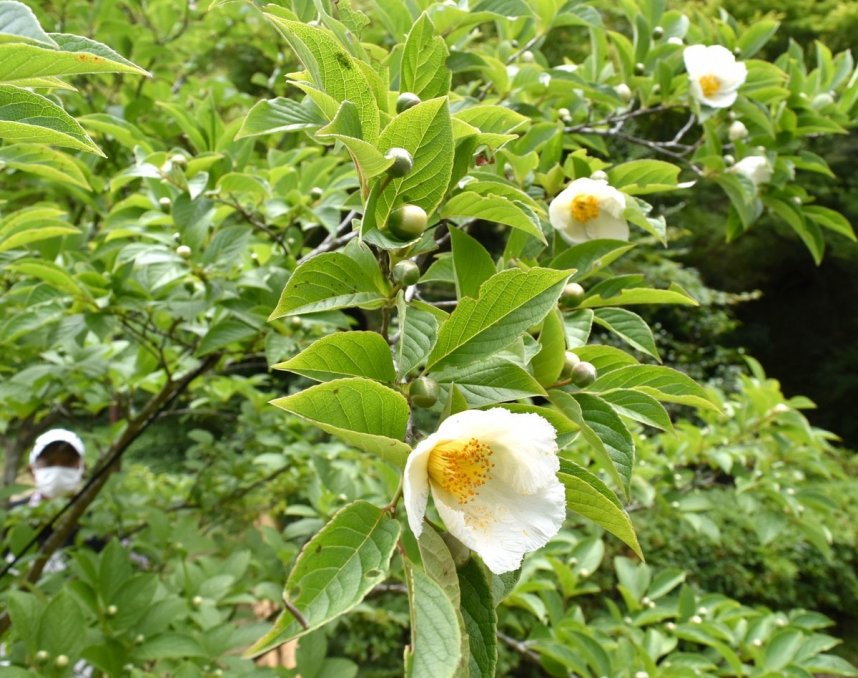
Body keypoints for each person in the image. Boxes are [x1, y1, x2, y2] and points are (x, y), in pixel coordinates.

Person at [10, 428, 86, 509]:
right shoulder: (10, 515)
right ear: (31, 470)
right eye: (49, 463)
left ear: (82, 468)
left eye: (67, 462)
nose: (58, 470)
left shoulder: (95, 517)